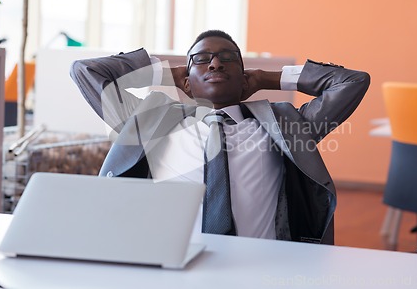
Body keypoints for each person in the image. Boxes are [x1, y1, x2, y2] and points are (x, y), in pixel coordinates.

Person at [70, 30, 370, 244]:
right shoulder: (149, 121)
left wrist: (269, 77)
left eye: (228, 58)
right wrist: (162, 73)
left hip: (263, 266)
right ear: (186, 83)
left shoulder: (285, 124)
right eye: (201, 59)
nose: (215, 64)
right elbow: (86, 71)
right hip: (175, 265)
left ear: (244, 79)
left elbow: (352, 82)